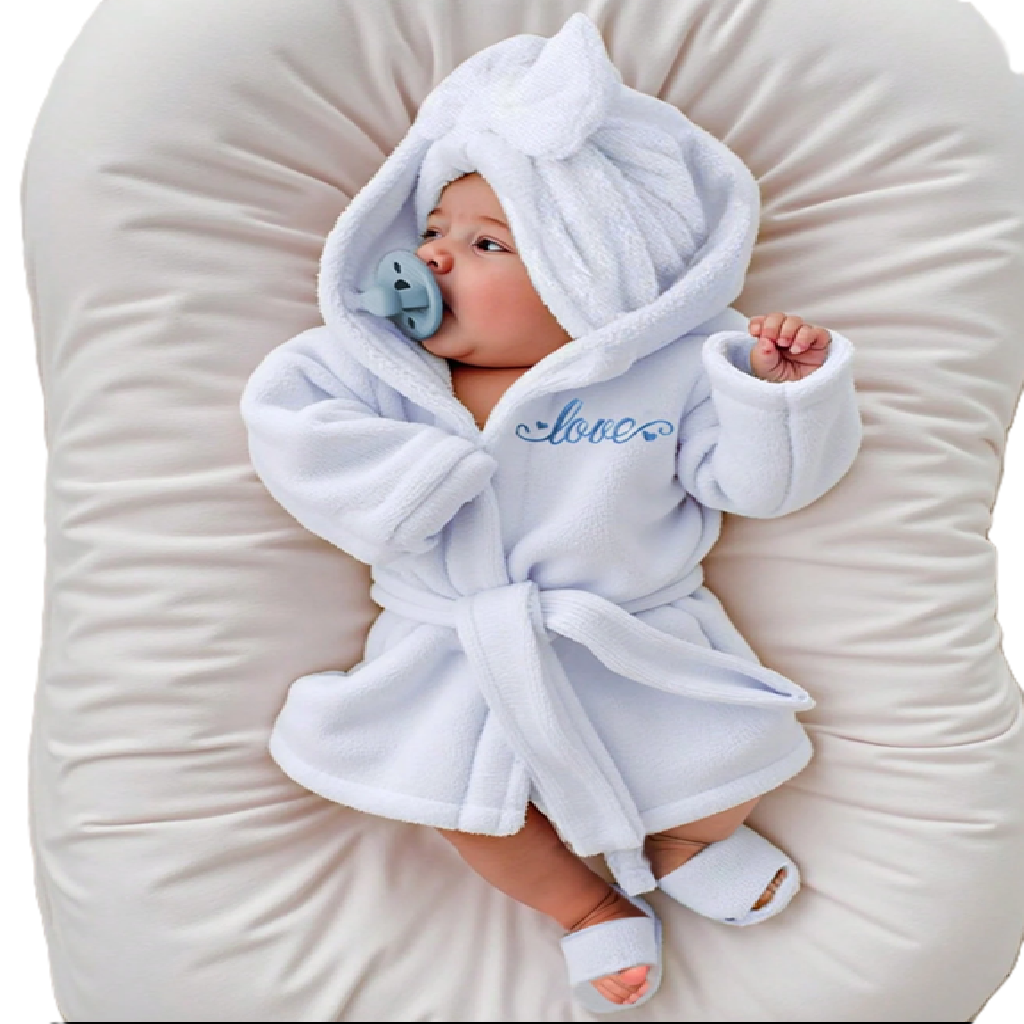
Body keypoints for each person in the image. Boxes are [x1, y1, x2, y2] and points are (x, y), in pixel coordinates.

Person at [240, 13, 862, 1013]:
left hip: (630, 631)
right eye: (433, 231)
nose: (435, 258)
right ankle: (584, 908)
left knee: (730, 753)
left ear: (591, 280)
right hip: (450, 645)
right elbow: (290, 426)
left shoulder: (670, 367)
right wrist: (408, 482)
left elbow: (759, 483)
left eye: (487, 242)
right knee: (455, 798)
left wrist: (777, 395)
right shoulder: (366, 363)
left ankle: (682, 841)